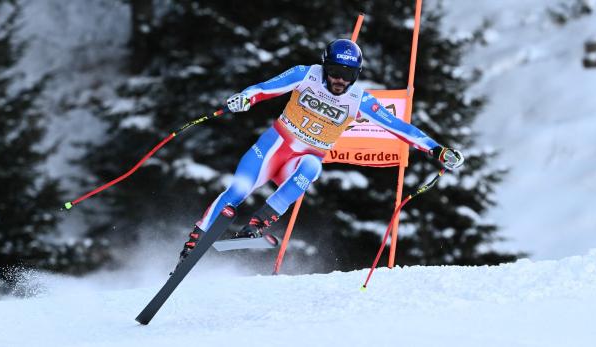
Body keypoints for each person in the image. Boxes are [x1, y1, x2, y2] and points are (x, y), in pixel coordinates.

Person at [176, 39, 464, 264]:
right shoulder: (306, 75)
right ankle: (196, 238)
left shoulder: (358, 99)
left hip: (301, 160)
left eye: (348, 74)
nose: (340, 80)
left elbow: (400, 128)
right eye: (335, 72)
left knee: (313, 168)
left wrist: (436, 150)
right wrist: (244, 98)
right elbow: (265, 88)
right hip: (273, 147)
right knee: (238, 189)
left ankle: (258, 223)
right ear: (325, 67)